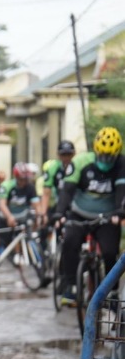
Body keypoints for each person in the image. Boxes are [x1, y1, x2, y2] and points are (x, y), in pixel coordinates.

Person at [54, 127, 125, 306]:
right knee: (69, 241)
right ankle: (71, 286)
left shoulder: (121, 164)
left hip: (107, 217)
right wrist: (60, 213)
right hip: (79, 213)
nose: (106, 160)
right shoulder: (80, 162)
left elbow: (121, 192)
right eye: (102, 155)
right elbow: (67, 190)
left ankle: (113, 291)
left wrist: (119, 212)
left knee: (110, 252)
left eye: (110, 156)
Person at [0, 162, 42, 287]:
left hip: (22, 218)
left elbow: (36, 204)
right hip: (5, 219)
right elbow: (1, 204)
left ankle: (41, 272)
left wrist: (40, 216)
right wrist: (9, 217)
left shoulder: (30, 187)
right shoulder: (6, 186)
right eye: (21, 179)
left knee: (30, 241)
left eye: (25, 179)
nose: (24, 182)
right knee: (2, 248)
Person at [39, 140, 76, 224]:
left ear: (74, 154)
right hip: (59, 204)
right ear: (58, 155)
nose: (66, 158)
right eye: (63, 155)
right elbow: (46, 193)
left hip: (76, 204)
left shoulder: (77, 166)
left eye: (69, 154)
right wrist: (43, 213)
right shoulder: (53, 168)